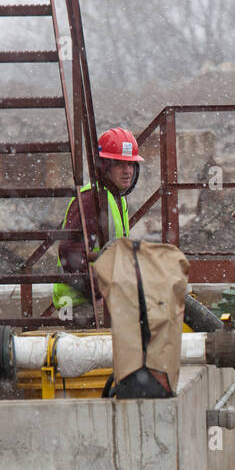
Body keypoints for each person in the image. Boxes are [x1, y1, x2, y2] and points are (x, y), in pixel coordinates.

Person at [52, 127, 142, 324]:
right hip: (80, 303)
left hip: (98, 298)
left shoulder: (116, 198)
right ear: (105, 167)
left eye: (131, 164)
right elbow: (70, 252)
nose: (127, 171)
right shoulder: (91, 199)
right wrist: (97, 291)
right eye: (119, 164)